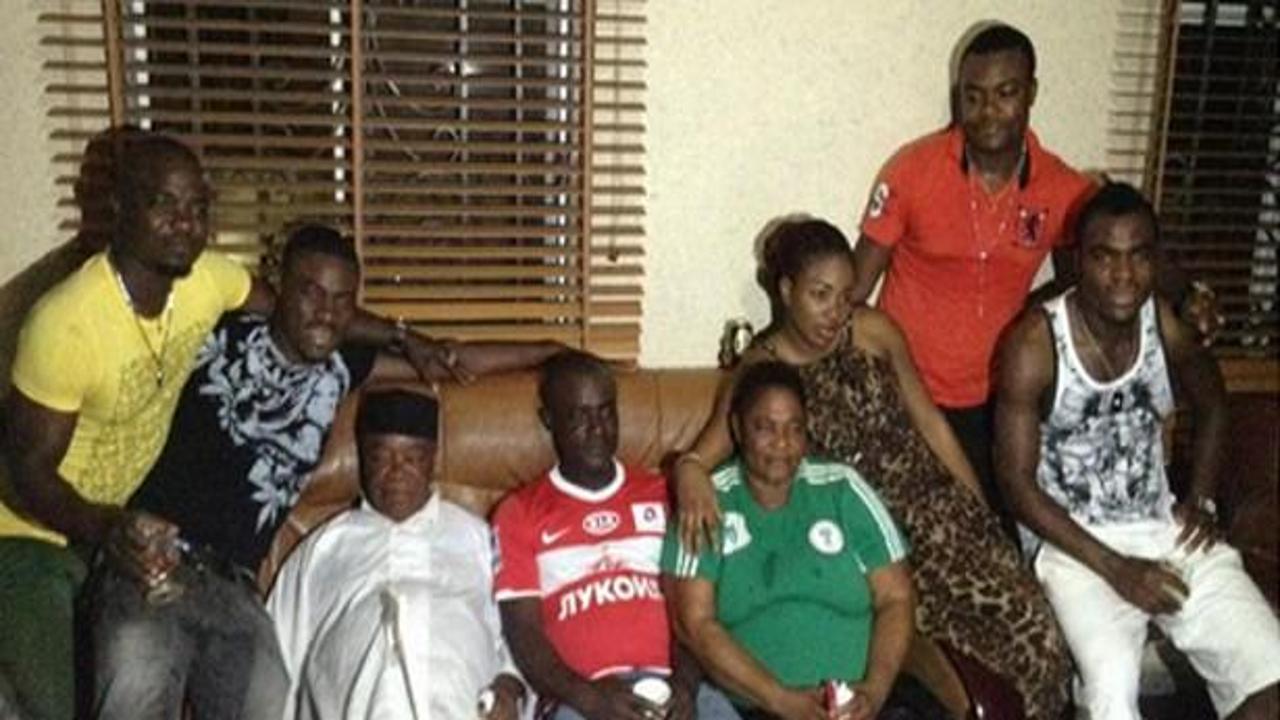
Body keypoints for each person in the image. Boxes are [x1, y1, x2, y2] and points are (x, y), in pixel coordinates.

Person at [0, 129, 467, 720]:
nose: (185, 223)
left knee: (266, 701)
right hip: (40, 534)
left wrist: (405, 335)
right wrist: (110, 529)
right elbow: (26, 473)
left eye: (198, 207)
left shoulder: (205, 283)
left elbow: (312, 310)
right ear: (119, 206)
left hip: (207, 573)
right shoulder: (64, 321)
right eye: (164, 204)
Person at [82, 224, 561, 719]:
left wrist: (548, 351)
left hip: (233, 585)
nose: (326, 313)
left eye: (341, 300)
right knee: (135, 693)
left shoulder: (342, 366)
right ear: (278, 286)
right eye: (310, 293)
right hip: (154, 555)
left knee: (266, 700)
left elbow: (450, 361)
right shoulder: (218, 331)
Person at [675, 219, 1071, 720]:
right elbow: (703, 454)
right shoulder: (761, 372)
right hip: (870, 537)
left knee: (1038, 628)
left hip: (939, 510)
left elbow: (930, 423)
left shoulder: (873, 331)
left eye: (845, 296)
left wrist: (979, 513)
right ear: (786, 290)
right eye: (820, 295)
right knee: (977, 654)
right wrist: (689, 474)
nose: (835, 312)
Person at [850, 23, 1216, 518]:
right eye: (973, 97)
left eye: (1005, 94)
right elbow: (854, 288)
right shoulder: (912, 171)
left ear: (1031, 93)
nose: (987, 111)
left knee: (997, 537)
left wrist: (1188, 293)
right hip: (907, 396)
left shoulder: (1061, 188)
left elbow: (1123, 247)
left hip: (998, 401)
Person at [995, 182, 1280, 720]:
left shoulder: (1165, 326)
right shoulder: (1034, 345)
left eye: (1139, 256)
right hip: (1073, 546)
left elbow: (1214, 404)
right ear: (1077, 261)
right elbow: (1015, 484)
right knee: (1113, 695)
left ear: (1156, 260)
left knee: (1271, 673)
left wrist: (1201, 498)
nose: (1123, 275)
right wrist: (1118, 570)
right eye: (1104, 257)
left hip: (1159, 525)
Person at [492, 351, 741, 720]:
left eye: (606, 411)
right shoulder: (519, 512)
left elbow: (691, 612)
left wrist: (685, 687)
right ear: (549, 420)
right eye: (579, 416)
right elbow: (524, 635)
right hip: (581, 698)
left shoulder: (663, 493)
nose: (597, 428)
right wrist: (590, 698)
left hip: (672, 687)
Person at [664, 361, 914, 720]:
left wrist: (874, 691)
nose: (782, 443)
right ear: (737, 428)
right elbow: (695, 626)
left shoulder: (843, 489)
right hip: (756, 708)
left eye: (794, 428)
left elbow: (897, 597)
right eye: (765, 427)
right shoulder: (705, 503)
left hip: (863, 706)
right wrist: (782, 700)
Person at [268, 389, 526, 720]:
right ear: (362, 459)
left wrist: (510, 684)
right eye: (380, 458)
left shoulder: (477, 538)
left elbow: (523, 634)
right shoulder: (323, 547)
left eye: (412, 458)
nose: (396, 472)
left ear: (433, 461)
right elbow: (273, 655)